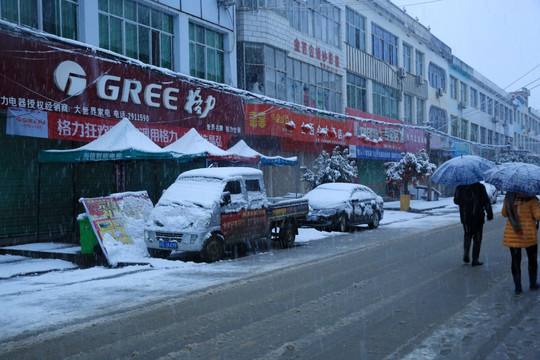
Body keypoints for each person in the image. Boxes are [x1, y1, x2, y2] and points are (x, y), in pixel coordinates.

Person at [501, 192, 540, 294]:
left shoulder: (509, 197)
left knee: (515, 260)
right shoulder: (532, 198)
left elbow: (504, 213)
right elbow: (538, 216)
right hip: (529, 234)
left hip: (514, 232)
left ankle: (518, 287)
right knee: (532, 259)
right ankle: (533, 283)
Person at [453, 182, 493, 266]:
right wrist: (489, 213)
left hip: (465, 216)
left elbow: (456, 201)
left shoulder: (460, 187)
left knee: (467, 234)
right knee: (477, 237)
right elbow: (486, 201)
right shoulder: (480, 187)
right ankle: (475, 259)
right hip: (478, 216)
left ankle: (466, 252)